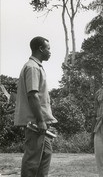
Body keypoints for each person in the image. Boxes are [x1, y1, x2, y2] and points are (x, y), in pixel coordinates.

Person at [14, 36, 57, 177]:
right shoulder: (32, 67)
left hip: (40, 125)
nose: (50, 52)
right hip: (35, 124)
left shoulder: (36, 66)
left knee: (45, 156)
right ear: (40, 49)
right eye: (48, 48)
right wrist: (41, 120)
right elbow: (33, 95)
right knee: (32, 162)